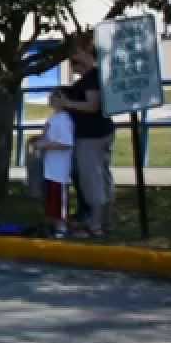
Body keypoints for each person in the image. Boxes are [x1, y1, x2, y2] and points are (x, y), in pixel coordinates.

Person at [54, 36, 116, 238]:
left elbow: (92, 105)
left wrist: (68, 104)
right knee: (103, 177)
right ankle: (104, 221)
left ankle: (95, 225)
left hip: (91, 137)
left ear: (88, 54)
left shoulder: (92, 79)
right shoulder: (95, 76)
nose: (74, 63)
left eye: (76, 57)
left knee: (92, 180)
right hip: (100, 133)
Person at [26, 89, 75, 238]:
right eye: (52, 95)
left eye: (56, 96)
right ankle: (52, 224)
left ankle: (61, 226)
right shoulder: (55, 117)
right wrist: (38, 140)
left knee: (59, 198)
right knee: (50, 198)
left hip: (59, 169)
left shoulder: (64, 120)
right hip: (50, 168)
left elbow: (66, 143)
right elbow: (48, 136)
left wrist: (45, 145)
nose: (51, 98)